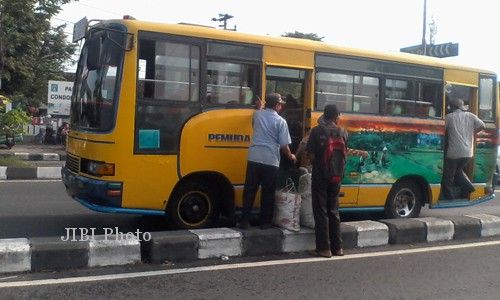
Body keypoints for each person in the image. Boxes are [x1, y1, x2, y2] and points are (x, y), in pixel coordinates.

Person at [306, 104, 367, 258]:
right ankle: (338, 248)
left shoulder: (316, 131)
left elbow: (311, 155)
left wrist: (318, 164)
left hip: (321, 176)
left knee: (320, 212)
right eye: (339, 115)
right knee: (333, 211)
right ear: (335, 116)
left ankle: (324, 249)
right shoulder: (343, 132)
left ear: (324, 116)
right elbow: (344, 152)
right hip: (337, 177)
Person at [236, 93, 297, 229]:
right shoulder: (281, 121)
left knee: (250, 190)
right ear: (276, 105)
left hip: (254, 157)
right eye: (280, 104)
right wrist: (291, 156)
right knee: (268, 192)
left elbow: (256, 120)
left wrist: (260, 107)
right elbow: (284, 146)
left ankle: (245, 221)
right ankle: (265, 222)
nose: (281, 106)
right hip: (270, 160)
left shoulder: (257, 115)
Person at [440, 98, 485, 200]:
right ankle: (468, 187)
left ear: (452, 107)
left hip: (453, 152)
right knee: (458, 170)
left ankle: (449, 197)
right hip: (468, 152)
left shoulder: (449, 117)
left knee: (448, 175)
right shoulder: (471, 116)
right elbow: (483, 125)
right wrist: (473, 132)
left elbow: (441, 130)